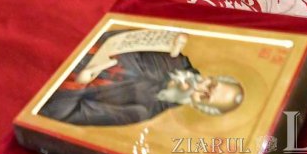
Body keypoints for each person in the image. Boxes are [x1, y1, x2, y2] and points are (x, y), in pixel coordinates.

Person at [37, 29, 244, 127]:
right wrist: (169, 34)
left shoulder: (140, 111)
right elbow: (119, 31)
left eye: (205, 96)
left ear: (199, 107)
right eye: (212, 84)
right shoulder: (175, 56)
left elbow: (57, 115)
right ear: (212, 77)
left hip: (47, 74)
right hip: (78, 29)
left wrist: (80, 82)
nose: (200, 88)